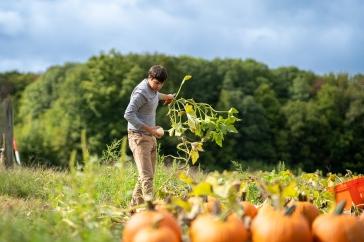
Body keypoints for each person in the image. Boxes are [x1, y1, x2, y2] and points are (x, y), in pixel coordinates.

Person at [124, 65, 174, 207]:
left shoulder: (153, 90)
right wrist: (151, 130)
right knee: (147, 177)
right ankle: (150, 210)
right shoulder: (141, 92)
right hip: (139, 137)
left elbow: (156, 95)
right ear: (150, 78)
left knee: (146, 175)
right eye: (157, 83)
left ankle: (134, 208)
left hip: (150, 136)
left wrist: (167, 97)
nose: (159, 86)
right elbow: (128, 114)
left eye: (162, 84)